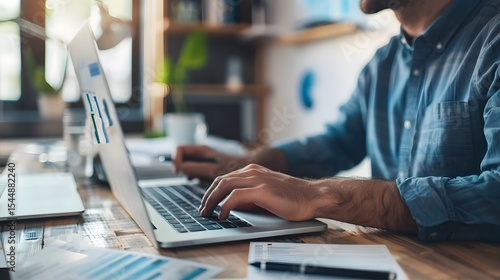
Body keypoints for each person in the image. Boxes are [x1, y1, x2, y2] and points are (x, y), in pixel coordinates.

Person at [173, 0, 500, 242]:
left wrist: (322, 195)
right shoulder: (382, 65)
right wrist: (253, 163)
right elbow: (340, 141)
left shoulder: (492, 39)